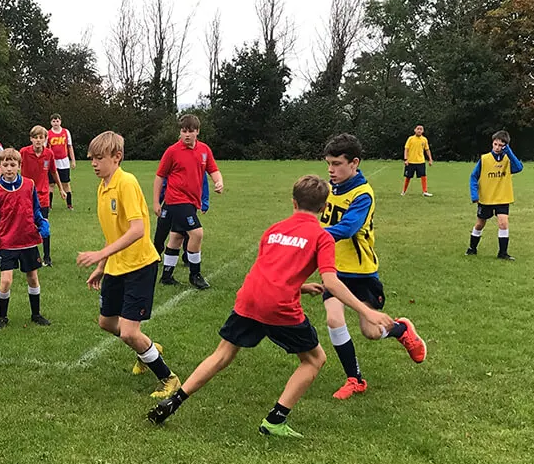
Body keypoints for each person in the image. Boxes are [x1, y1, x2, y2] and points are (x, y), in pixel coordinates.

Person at [148, 175, 397, 436]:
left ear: (293, 202)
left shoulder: (274, 229)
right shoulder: (321, 236)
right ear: (324, 208)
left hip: (250, 297)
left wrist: (300, 286)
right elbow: (332, 283)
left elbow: (268, 270)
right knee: (314, 359)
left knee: (222, 354)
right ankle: (275, 420)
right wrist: (367, 311)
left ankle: (174, 401)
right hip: (278, 306)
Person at [317, 133, 427, 400]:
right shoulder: (331, 188)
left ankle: (401, 329)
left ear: (354, 163)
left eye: (337, 164)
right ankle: (355, 379)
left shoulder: (363, 194)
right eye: (328, 164)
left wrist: (315, 237)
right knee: (333, 318)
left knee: (370, 331)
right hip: (334, 270)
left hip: (362, 272)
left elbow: (348, 227)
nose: (331, 170)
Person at [76, 130, 181, 399]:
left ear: (117, 157)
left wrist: (100, 254)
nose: (94, 163)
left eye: (99, 158)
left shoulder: (126, 183)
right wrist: (102, 267)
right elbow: (116, 232)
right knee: (107, 323)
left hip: (139, 266)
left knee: (128, 332)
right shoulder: (103, 187)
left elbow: (137, 230)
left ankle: (168, 378)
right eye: (92, 158)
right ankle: (149, 349)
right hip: (116, 267)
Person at [153, 114, 224, 289]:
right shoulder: (172, 151)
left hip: (192, 202)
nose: (186, 135)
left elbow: (213, 169)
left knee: (177, 236)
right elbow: (160, 176)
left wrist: (218, 181)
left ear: (197, 131)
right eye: (183, 131)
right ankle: (195, 274)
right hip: (176, 200)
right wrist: (156, 202)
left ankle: (167, 276)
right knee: (197, 233)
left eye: (190, 131)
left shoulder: (204, 150)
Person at [0, 147, 52, 329]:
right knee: (6, 280)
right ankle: (2, 317)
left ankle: (36, 314)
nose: (8, 168)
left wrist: (42, 224)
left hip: (28, 240)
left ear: (19, 166)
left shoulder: (29, 185)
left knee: (32, 277)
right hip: (7, 241)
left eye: (12, 164)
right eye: (5, 164)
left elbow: (35, 209)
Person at [467, 130, 523, 261]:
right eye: (495, 144)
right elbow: (473, 177)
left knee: (503, 223)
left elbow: (519, 168)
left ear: (505, 146)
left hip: (502, 197)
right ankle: (472, 248)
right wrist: (474, 194)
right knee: (480, 224)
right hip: (486, 198)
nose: (497, 147)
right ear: (492, 144)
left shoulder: (508, 160)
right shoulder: (484, 159)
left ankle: (502, 253)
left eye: (501, 145)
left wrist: (508, 151)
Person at [20, 125, 64, 265]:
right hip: (26, 194)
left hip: (43, 195)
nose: (38, 140)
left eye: (41, 138)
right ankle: (32, 255)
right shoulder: (23, 152)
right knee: (28, 226)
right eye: (35, 138)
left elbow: (53, 172)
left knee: (44, 225)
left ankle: (47, 257)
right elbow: (14, 168)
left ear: (46, 139)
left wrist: (61, 189)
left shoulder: (49, 154)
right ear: (31, 139)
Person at [47, 113, 76, 210]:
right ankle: (49, 205)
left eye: (57, 121)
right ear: (51, 122)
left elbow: (69, 146)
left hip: (64, 161)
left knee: (66, 183)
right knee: (51, 184)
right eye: (53, 121)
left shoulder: (65, 132)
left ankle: (69, 204)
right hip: (53, 161)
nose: (55, 123)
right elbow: (45, 149)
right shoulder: (48, 134)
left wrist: (73, 160)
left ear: (60, 121)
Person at [401, 124, 434, 196]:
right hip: (411, 161)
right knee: (408, 177)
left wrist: (430, 159)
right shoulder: (410, 139)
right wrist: (406, 159)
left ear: (423, 131)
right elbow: (406, 149)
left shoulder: (424, 139)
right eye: (418, 129)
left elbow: (427, 150)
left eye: (421, 129)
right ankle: (403, 191)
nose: (419, 130)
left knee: (423, 176)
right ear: (415, 130)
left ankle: (425, 191)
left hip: (421, 161)